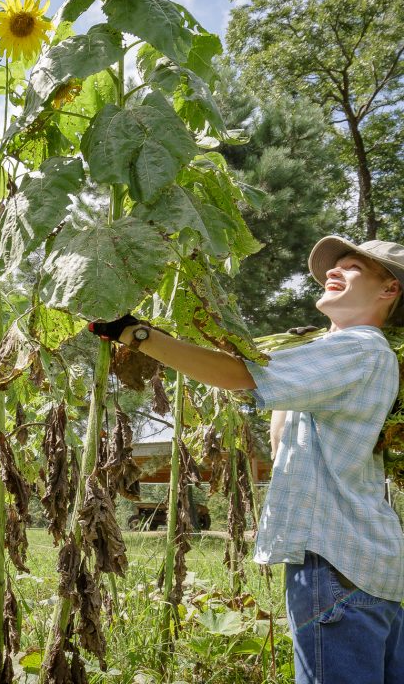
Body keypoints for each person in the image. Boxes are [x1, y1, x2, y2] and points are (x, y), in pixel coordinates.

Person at [94, 236, 404, 684]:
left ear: (389, 290)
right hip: (365, 567)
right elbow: (280, 439)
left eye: (353, 267)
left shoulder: (360, 349)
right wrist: (298, 358)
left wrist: (136, 333)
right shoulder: (356, 353)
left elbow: (238, 376)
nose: (333, 271)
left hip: (337, 564)